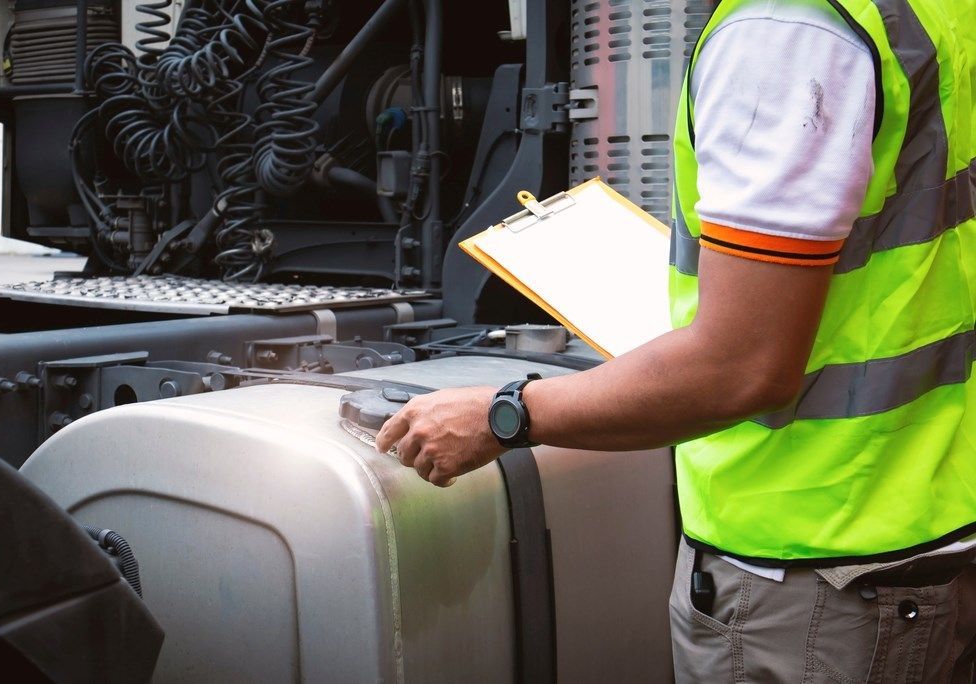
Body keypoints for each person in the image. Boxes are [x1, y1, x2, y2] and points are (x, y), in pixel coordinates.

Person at [376, 0, 976, 679]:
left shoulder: (781, 31)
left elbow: (742, 369)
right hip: (924, 527)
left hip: (817, 574)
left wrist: (504, 415)